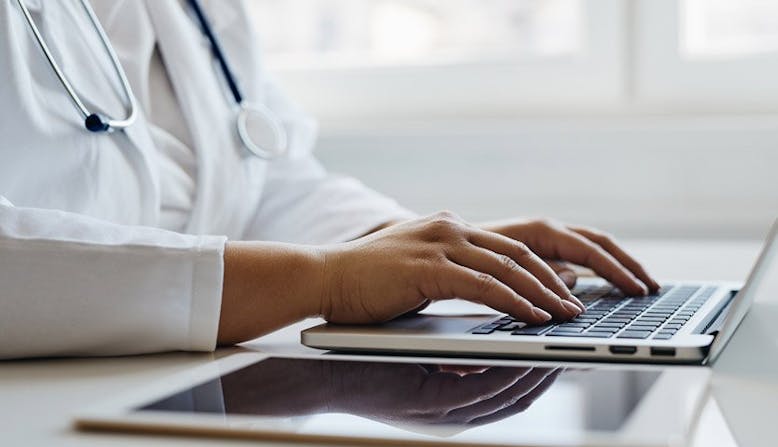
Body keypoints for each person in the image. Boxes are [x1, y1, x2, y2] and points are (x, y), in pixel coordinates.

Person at [0, 0, 658, 360]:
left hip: (156, 387)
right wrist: (325, 276)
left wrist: (412, 247)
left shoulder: (193, 11)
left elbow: (269, 178)